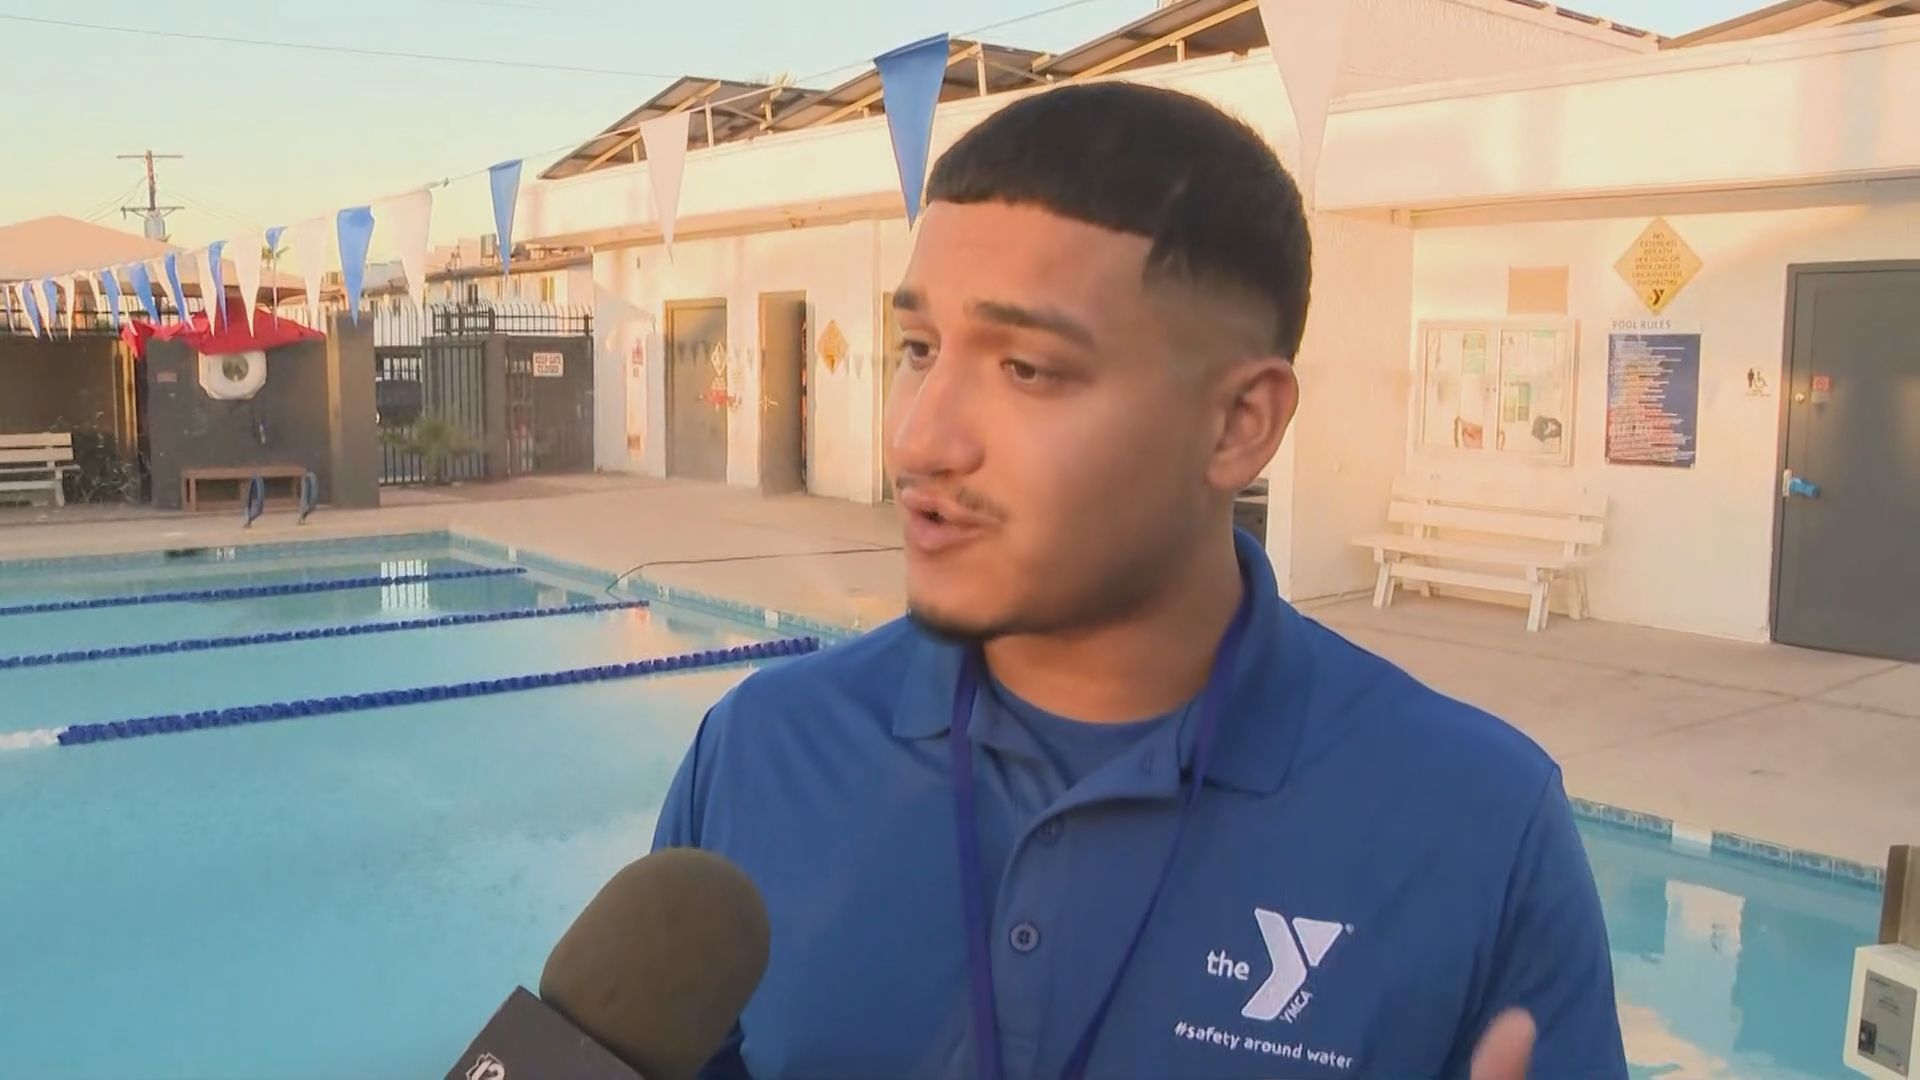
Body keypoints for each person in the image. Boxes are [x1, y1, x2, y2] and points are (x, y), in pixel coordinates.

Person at [653, 81, 1627, 1080]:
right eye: (919, 349)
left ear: (1237, 423)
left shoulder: (1474, 826)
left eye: (1025, 367)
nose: (918, 438)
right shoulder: (764, 750)